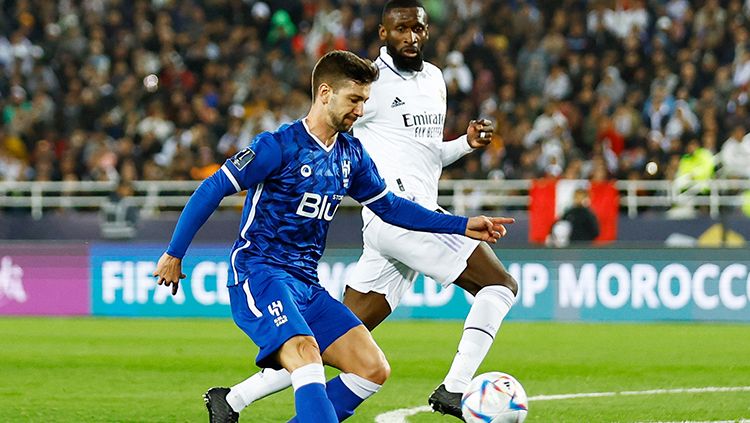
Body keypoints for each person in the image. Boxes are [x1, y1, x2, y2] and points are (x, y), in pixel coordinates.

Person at [152, 50, 513, 423]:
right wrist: (174, 253)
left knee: (372, 368)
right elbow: (212, 188)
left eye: (365, 101)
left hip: (307, 283)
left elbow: (390, 207)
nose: (360, 110)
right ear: (325, 93)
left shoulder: (351, 155)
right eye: (354, 100)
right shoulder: (278, 146)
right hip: (260, 273)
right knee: (306, 354)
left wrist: (460, 225)